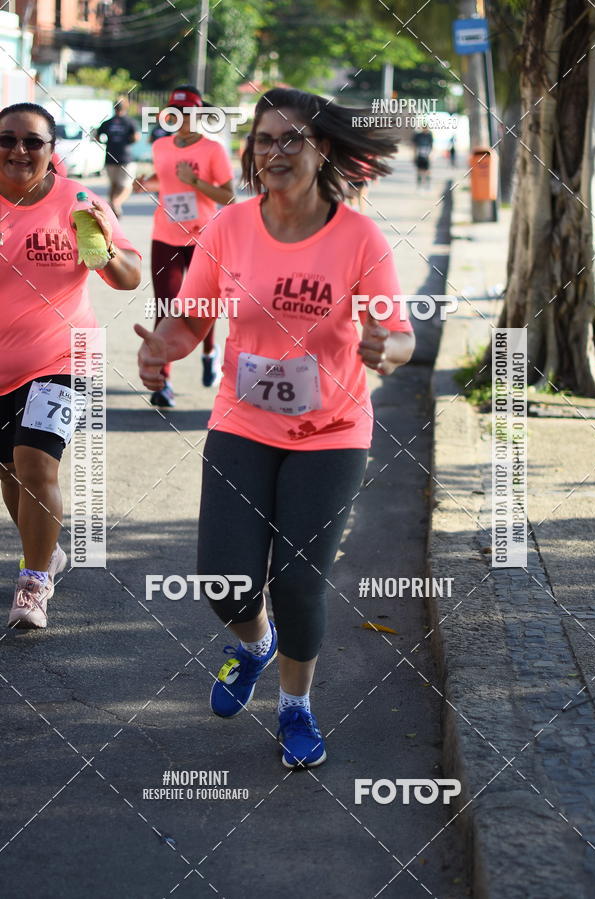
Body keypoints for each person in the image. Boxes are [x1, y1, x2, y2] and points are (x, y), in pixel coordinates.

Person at [135, 87, 415, 768]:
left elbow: (399, 334)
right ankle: (256, 645)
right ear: (251, 152)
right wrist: (160, 347)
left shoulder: (358, 238)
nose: (278, 151)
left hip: (333, 430)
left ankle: (296, 707)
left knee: (297, 579)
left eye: (294, 138)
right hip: (243, 420)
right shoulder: (228, 227)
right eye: (266, 139)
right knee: (224, 580)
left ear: (323, 151)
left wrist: (389, 349)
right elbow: (194, 316)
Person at [0, 102, 141, 629]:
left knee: (36, 464)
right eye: (7, 139)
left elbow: (127, 278)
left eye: (32, 142)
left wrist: (106, 249)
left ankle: (34, 581)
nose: (18, 150)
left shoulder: (79, 203)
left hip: (64, 356)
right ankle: (47, 553)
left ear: (51, 150)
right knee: (11, 470)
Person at [134, 85, 235, 406]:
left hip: (204, 236)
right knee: (166, 305)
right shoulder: (161, 146)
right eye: (175, 113)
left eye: (189, 113)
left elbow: (228, 195)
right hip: (165, 234)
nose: (182, 119)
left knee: (201, 306)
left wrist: (196, 183)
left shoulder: (213, 150)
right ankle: (163, 382)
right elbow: (164, 181)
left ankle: (208, 353)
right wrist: (145, 183)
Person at [96, 97, 140, 218]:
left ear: (114, 107)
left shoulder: (107, 122)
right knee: (127, 185)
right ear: (126, 107)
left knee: (114, 185)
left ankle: (111, 211)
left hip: (110, 157)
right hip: (125, 158)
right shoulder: (130, 122)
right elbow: (136, 137)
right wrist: (127, 141)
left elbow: (97, 136)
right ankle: (116, 203)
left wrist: (107, 143)